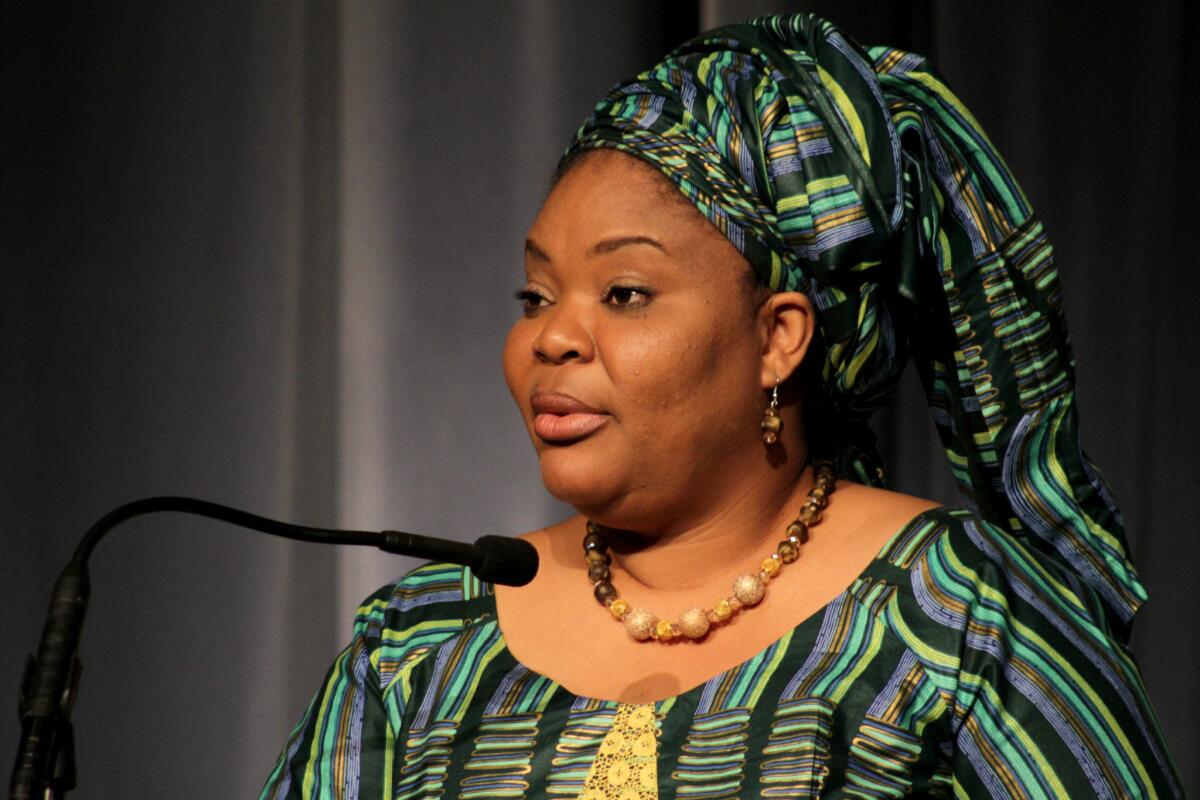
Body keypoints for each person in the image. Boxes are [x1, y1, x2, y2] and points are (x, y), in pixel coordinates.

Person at [260, 12, 1182, 798]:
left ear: (778, 337)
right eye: (535, 297)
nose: (551, 338)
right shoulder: (422, 646)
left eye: (624, 294)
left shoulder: (960, 618)